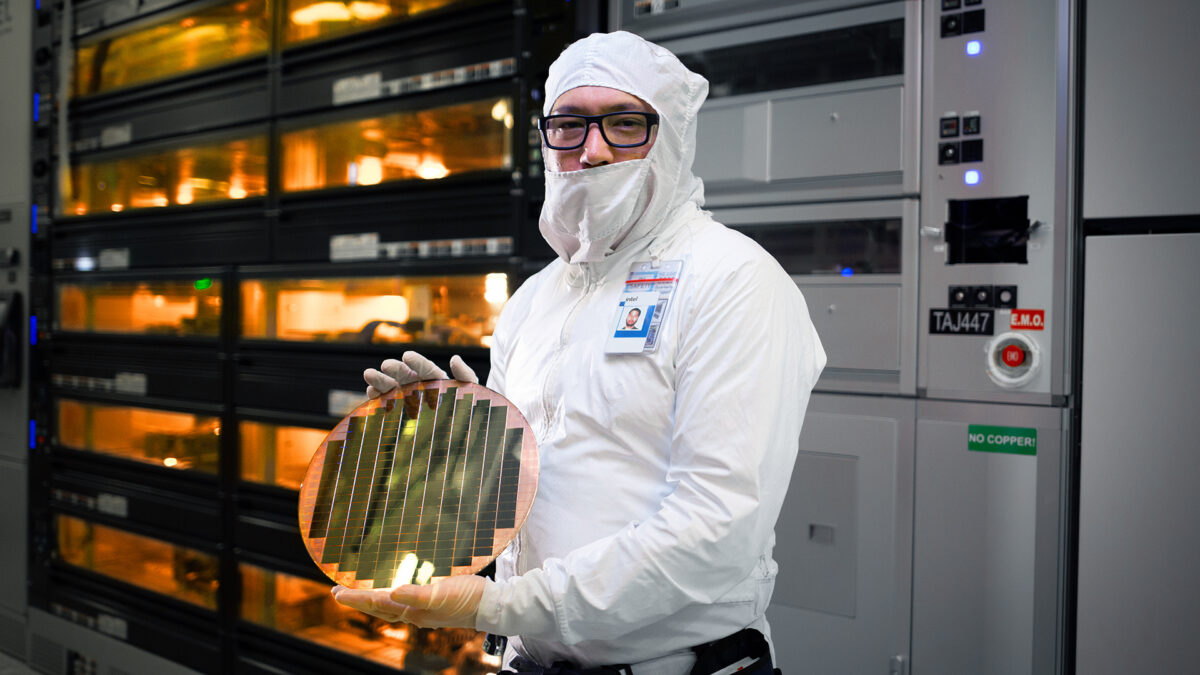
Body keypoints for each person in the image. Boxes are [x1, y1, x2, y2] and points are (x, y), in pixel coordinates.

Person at [332, 30, 826, 675]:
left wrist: (502, 606)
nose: (591, 151)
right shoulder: (537, 297)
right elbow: (517, 493)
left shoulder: (734, 279)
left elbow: (716, 529)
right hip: (530, 660)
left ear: (671, 139)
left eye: (624, 125)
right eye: (568, 125)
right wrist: (450, 444)